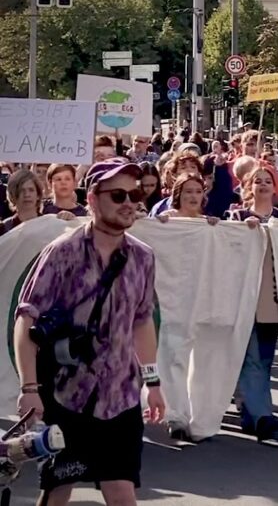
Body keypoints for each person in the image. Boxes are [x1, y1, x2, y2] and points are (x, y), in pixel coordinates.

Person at [14, 158, 165, 506]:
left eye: (134, 194)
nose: (129, 202)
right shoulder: (62, 252)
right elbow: (26, 319)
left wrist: (153, 382)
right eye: (118, 195)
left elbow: (142, 320)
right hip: (68, 394)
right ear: (94, 200)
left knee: (121, 493)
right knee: (57, 493)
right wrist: (29, 389)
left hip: (121, 396)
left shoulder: (143, 257)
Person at [226, 166, 278, 443]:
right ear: (247, 187)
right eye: (257, 181)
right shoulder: (236, 216)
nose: (263, 185)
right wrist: (239, 230)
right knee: (252, 355)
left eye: (268, 181)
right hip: (243, 296)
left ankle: (251, 412)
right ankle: (263, 415)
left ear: (275, 187)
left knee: (262, 356)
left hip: (273, 298)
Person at [0, 170, 43, 235]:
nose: (27, 194)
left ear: (38, 195)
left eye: (31, 190)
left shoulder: (50, 223)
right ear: (13, 195)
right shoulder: (4, 229)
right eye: (21, 190)